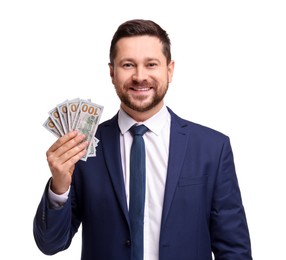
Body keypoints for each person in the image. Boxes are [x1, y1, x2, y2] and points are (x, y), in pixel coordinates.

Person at [33, 19, 252, 260]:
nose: (140, 76)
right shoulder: (82, 148)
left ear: (169, 70)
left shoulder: (212, 148)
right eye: (128, 65)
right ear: (112, 72)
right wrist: (59, 186)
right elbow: (50, 244)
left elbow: (233, 250)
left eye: (151, 64)